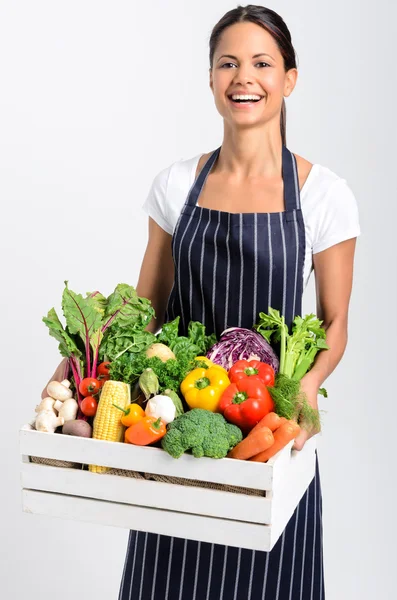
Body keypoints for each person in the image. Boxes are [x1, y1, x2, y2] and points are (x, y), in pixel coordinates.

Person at [45, 5, 360, 599]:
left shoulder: (324, 195)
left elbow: (335, 322)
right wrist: (90, 363)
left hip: (268, 434)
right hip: (175, 430)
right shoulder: (175, 185)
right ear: (211, 79)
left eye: (262, 63)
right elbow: (147, 308)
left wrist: (310, 386)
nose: (244, 77)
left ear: (289, 79)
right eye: (228, 63)